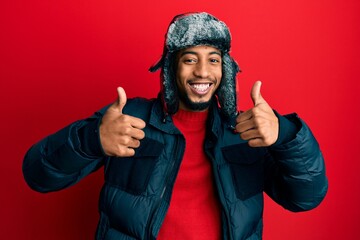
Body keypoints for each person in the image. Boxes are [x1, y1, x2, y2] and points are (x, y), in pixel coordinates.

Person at [23, 12, 328, 240]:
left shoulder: (246, 132)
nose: (202, 72)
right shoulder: (128, 118)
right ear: (171, 67)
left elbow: (305, 197)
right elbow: (38, 175)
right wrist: (91, 139)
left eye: (213, 60)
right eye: (190, 59)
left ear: (225, 69)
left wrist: (285, 136)